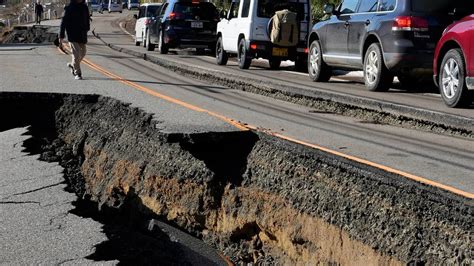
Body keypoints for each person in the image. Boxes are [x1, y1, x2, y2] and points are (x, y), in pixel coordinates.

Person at [59, 0, 90, 80]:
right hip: (72, 35)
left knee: (83, 53)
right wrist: (61, 36)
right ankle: (78, 73)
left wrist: (87, 28)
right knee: (76, 54)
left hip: (82, 34)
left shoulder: (84, 7)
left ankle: (73, 65)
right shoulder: (69, 8)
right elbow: (63, 23)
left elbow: (87, 18)